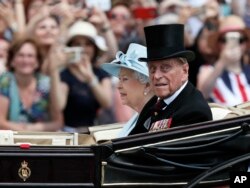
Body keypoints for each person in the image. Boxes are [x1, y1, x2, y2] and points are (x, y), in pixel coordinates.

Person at [129, 24, 212, 135]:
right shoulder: (155, 102)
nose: (156, 76)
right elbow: (133, 138)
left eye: (165, 68)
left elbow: (163, 151)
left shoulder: (194, 112)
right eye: (152, 69)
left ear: (184, 71)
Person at [0, 37, 62, 131]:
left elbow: (58, 123)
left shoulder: (46, 84)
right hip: (11, 141)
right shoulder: (5, 81)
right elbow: (1, 122)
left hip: (41, 141)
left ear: (37, 62)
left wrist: (32, 129)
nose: (25, 60)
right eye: (21, 55)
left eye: (30, 56)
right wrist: (24, 132)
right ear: (12, 61)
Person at [101, 43, 154, 137]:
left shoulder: (153, 121)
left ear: (147, 85)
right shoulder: (138, 117)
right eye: (119, 79)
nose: (118, 86)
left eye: (125, 79)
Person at [197, 15, 250, 106]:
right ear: (218, 44)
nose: (233, 45)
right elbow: (201, 95)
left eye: (240, 40)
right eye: (225, 40)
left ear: (245, 44)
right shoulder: (207, 69)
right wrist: (222, 62)